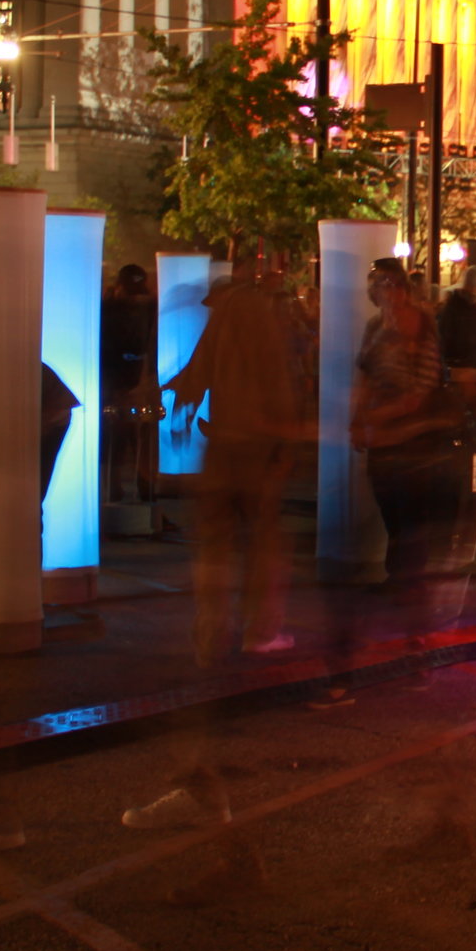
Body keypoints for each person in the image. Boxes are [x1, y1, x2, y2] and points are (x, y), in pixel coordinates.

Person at [318, 256, 462, 708]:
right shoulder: (376, 328)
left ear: (402, 287)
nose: (385, 291)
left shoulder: (421, 327)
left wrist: (370, 417)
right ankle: (410, 629)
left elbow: (419, 392)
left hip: (416, 446)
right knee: (401, 540)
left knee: (408, 547)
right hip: (386, 446)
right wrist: (359, 418)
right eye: (377, 284)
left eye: (390, 284)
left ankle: (414, 638)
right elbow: (362, 373)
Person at [163, 240, 304, 664]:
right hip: (257, 447)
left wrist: (181, 413)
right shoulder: (262, 317)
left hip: (222, 442)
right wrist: (287, 441)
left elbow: (197, 372)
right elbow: (278, 380)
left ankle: (211, 633)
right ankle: (259, 631)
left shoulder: (224, 317)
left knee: (215, 543)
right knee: (262, 542)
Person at [99, 263, 157, 507]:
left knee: (126, 437)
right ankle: (134, 488)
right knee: (128, 437)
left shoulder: (109, 308)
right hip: (125, 381)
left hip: (124, 380)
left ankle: (128, 487)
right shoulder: (145, 308)